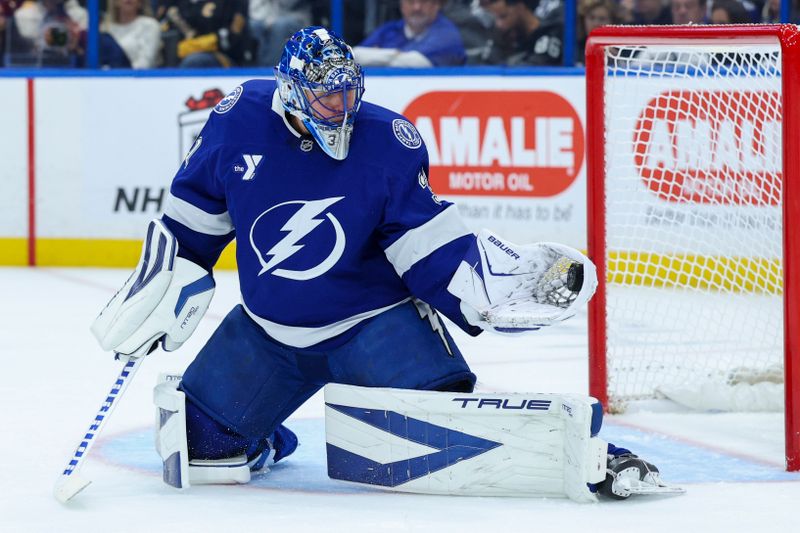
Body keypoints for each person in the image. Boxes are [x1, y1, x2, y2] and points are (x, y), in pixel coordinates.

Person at [91, 26, 672, 500]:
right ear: (291, 92)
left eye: (349, 93)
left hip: (373, 328)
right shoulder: (235, 120)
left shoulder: (388, 139)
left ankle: (593, 455)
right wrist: (163, 284)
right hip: (269, 335)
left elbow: (426, 245)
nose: (341, 108)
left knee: (452, 434)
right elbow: (191, 222)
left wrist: (487, 288)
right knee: (198, 449)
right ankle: (266, 435)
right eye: (326, 96)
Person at [354, 0, 466, 67]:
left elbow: (420, 62)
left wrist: (377, 56)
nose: (417, 7)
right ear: (402, 6)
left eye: (424, 1)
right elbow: (354, 56)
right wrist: (395, 54)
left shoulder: (447, 34)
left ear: (436, 5)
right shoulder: (389, 30)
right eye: (411, 1)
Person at [158, 0, 248, 68]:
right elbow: (165, 23)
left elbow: (235, 32)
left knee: (194, 61)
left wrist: (202, 45)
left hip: (222, 55)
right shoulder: (181, 3)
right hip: (184, 50)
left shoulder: (231, 3)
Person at [482, 0, 564, 66]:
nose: (499, 24)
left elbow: (535, 69)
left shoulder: (550, 33)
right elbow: (488, 67)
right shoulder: (502, 37)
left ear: (520, 7)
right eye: (496, 18)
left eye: (503, 16)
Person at [248, 0, 310, 67]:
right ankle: (256, 67)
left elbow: (287, 3)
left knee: (279, 26)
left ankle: (270, 69)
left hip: (296, 15)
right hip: (267, 15)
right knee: (254, 26)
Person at [100, 0, 160, 68]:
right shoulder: (105, 28)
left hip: (139, 77)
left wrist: (122, 75)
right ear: (115, 2)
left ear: (140, 2)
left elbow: (145, 63)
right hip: (108, 77)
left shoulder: (150, 25)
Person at [576, 0, 620, 65]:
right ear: (583, 20)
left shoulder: (621, 49)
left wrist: (616, 59)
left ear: (612, 22)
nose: (596, 24)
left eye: (602, 19)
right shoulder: (574, 48)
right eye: (592, 18)